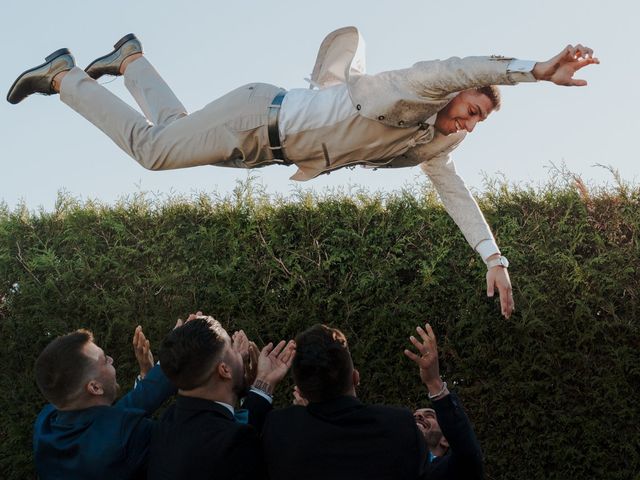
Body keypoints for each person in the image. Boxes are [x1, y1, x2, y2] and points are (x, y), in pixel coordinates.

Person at [6, 28, 599, 319]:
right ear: (452, 97)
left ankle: (130, 59)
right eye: (469, 111)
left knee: (172, 132)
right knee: (154, 152)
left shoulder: (428, 146)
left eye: (478, 124)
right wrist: (535, 70)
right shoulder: (408, 91)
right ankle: (64, 75)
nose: (468, 125)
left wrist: (494, 258)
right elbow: (456, 65)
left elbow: (456, 194)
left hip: (258, 150)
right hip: (254, 116)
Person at [261, 323, 430, 480]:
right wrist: (435, 383)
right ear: (355, 377)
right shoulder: (400, 426)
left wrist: (263, 383)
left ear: (301, 389)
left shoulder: (279, 428)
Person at [147, 315, 295, 479]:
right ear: (224, 370)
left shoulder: (167, 421)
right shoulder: (235, 443)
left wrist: (263, 383)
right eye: (232, 348)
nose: (241, 353)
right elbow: (228, 437)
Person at [33, 322, 178, 480]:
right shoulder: (125, 437)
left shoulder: (45, 423)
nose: (111, 359)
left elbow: (108, 422)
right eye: (104, 360)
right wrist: (178, 350)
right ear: (95, 387)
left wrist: (147, 376)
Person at [406, 325, 484, 479]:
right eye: (414, 415)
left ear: (445, 440)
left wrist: (434, 382)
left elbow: (468, 455)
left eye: (430, 415)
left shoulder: (451, 472)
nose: (418, 416)